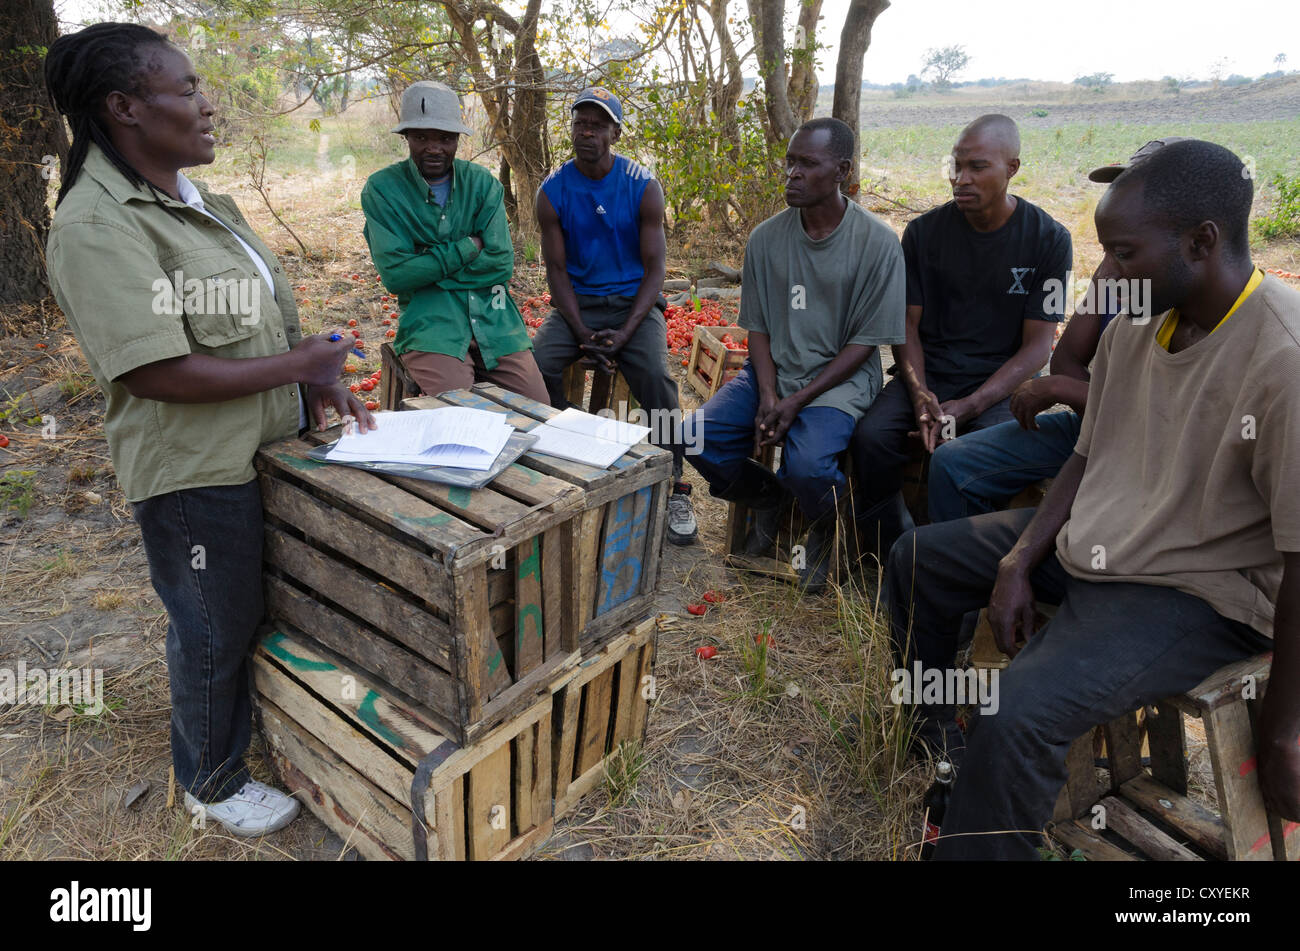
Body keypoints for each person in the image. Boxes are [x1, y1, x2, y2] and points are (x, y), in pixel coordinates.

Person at [886, 139, 1300, 860]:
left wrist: (1288, 725)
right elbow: (1085, 453)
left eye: (1125, 253)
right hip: (1105, 544)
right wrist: (1019, 558)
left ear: (1202, 242)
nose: (1109, 272)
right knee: (916, 555)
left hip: (1197, 592)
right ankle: (934, 735)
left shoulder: (1283, 357)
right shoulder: (1139, 323)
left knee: (1013, 714)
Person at [43, 23, 374, 837]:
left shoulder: (199, 204)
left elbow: (252, 333)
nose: (207, 103)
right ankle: (210, 777)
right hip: (196, 469)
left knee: (255, 604)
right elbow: (155, 371)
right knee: (213, 618)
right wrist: (295, 366)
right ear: (124, 107)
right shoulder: (97, 226)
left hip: (263, 444)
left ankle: (249, 735)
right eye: (187, 89)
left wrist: (311, 379)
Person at [681, 118, 905, 593]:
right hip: (775, 372)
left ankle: (830, 524)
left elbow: (865, 343)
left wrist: (796, 400)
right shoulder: (766, 239)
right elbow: (758, 327)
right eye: (790, 162)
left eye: (807, 164)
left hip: (838, 382)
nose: (792, 174)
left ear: (842, 170)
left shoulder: (877, 244)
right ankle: (772, 499)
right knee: (695, 440)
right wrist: (767, 393)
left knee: (808, 465)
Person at [926, 138, 1187, 523]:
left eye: (1143, 192)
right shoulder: (1116, 264)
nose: (1127, 203)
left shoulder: (1192, 289)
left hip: (1155, 451)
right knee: (954, 462)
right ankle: (960, 560)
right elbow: (1066, 357)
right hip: (1091, 425)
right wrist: (1089, 398)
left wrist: (1069, 390)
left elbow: (1167, 418)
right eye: (1124, 188)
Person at [850, 114, 1072, 558]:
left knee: (971, 455)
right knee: (871, 438)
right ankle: (884, 550)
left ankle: (954, 562)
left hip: (999, 385)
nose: (960, 179)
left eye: (977, 167)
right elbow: (906, 326)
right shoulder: (923, 233)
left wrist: (972, 405)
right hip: (930, 375)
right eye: (956, 165)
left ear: (1012, 168)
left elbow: (1037, 347)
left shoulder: (1049, 239)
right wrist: (919, 395)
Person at [530, 87, 697, 545]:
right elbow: (557, 271)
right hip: (576, 306)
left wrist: (625, 333)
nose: (586, 133)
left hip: (633, 306)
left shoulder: (642, 185)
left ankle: (675, 481)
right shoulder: (553, 191)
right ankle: (568, 451)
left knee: (659, 381)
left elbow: (655, 270)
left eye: (597, 125)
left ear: (615, 133)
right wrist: (582, 332)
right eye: (580, 123)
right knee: (536, 366)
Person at [361, 81, 548, 404]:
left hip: (496, 318)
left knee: (538, 412)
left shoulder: (482, 184)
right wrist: (467, 247)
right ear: (406, 137)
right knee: (465, 418)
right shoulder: (383, 190)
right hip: (433, 325)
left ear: (458, 139)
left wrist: (425, 263)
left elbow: (501, 263)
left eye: (445, 138)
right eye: (422, 138)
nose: (434, 148)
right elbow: (396, 276)